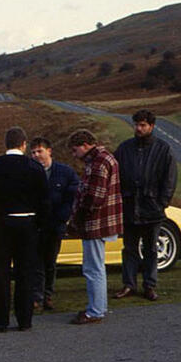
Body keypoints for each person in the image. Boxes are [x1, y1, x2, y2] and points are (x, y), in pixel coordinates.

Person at [0, 127, 49, 332]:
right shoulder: (34, 167)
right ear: (24, 144)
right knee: (25, 272)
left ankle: (0, 321)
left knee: (2, 272)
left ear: (6, 144)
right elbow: (44, 200)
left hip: (1, 222)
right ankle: (25, 320)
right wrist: (38, 224)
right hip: (27, 224)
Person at [112, 110, 177, 301]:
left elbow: (170, 179)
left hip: (152, 208)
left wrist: (161, 203)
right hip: (129, 206)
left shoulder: (163, 149)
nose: (139, 128)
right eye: (136, 125)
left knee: (151, 249)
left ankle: (149, 285)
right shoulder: (124, 148)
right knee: (129, 249)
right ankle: (129, 285)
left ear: (151, 126)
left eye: (143, 125)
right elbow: (115, 175)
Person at [66, 129, 122, 325]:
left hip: (96, 222)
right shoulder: (106, 158)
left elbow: (94, 197)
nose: (74, 155)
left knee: (92, 268)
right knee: (97, 266)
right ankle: (99, 306)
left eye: (75, 150)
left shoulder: (98, 163)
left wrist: (78, 218)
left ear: (85, 145)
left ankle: (95, 311)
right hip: (104, 220)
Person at [28, 136, 79, 312]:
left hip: (55, 225)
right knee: (36, 263)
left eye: (39, 151)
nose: (36, 155)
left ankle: (48, 295)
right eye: (33, 152)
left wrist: (62, 218)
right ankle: (36, 297)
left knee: (50, 262)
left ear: (49, 151)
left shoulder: (65, 172)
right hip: (35, 226)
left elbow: (72, 197)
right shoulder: (29, 173)